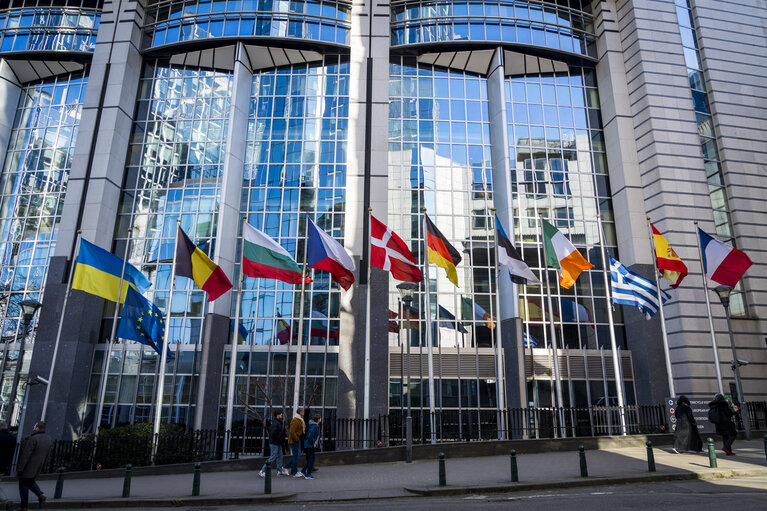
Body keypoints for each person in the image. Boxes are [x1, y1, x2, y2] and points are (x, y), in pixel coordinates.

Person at [16, 421, 53, 511]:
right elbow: (48, 455)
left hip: (28, 466)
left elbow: (26, 454)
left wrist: (20, 468)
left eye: (34, 426)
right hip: (38, 466)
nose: (33, 428)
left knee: (23, 486)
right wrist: (44, 466)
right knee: (31, 482)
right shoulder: (49, 439)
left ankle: (24, 507)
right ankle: (41, 495)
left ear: (37, 428)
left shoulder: (33, 438)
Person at [259, 410, 288, 478]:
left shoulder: (279, 422)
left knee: (280, 456)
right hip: (275, 443)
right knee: (273, 457)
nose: (281, 415)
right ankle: (262, 471)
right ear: (277, 415)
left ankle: (279, 470)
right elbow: (274, 434)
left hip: (278, 442)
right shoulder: (275, 423)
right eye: (280, 414)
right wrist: (280, 439)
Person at [282, 408, 305, 477]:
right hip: (294, 441)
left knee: (297, 456)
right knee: (296, 456)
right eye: (302, 411)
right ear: (300, 412)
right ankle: (294, 472)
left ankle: (288, 468)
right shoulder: (295, 420)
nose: (303, 412)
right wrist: (297, 439)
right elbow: (292, 432)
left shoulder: (300, 419)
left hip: (297, 440)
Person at [0, 421, 17, 510]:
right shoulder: (12, 438)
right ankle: (6, 502)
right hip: (3, 465)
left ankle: (6, 501)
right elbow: (11, 453)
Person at [301, 414, 321, 479]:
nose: (321, 419)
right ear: (318, 419)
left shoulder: (314, 426)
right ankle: (308, 474)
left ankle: (303, 471)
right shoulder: (314, 426)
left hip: (308, 445)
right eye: (320, 418)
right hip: (310, 445)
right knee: (311, 459)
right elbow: (310, 436)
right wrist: (314, 443)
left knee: (310, 459)